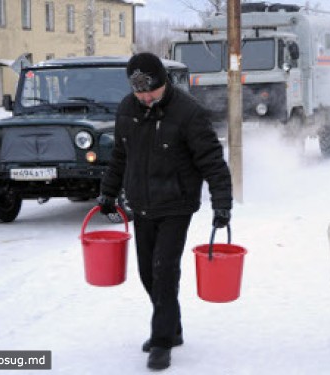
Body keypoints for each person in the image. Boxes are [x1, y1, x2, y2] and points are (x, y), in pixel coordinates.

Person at [98, 52, 232, 370]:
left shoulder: (188, 113)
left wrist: (222, 203)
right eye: (139, 92)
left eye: (151, 91)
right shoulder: (127, 109)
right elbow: (120, 155)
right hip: (142, 205)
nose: (145, 98)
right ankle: (173, 326)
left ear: (164, 82)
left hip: (176, 204)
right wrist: (108, 191)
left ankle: (162, 341)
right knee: (148, 272)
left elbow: (212, 161)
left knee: (164, 270)